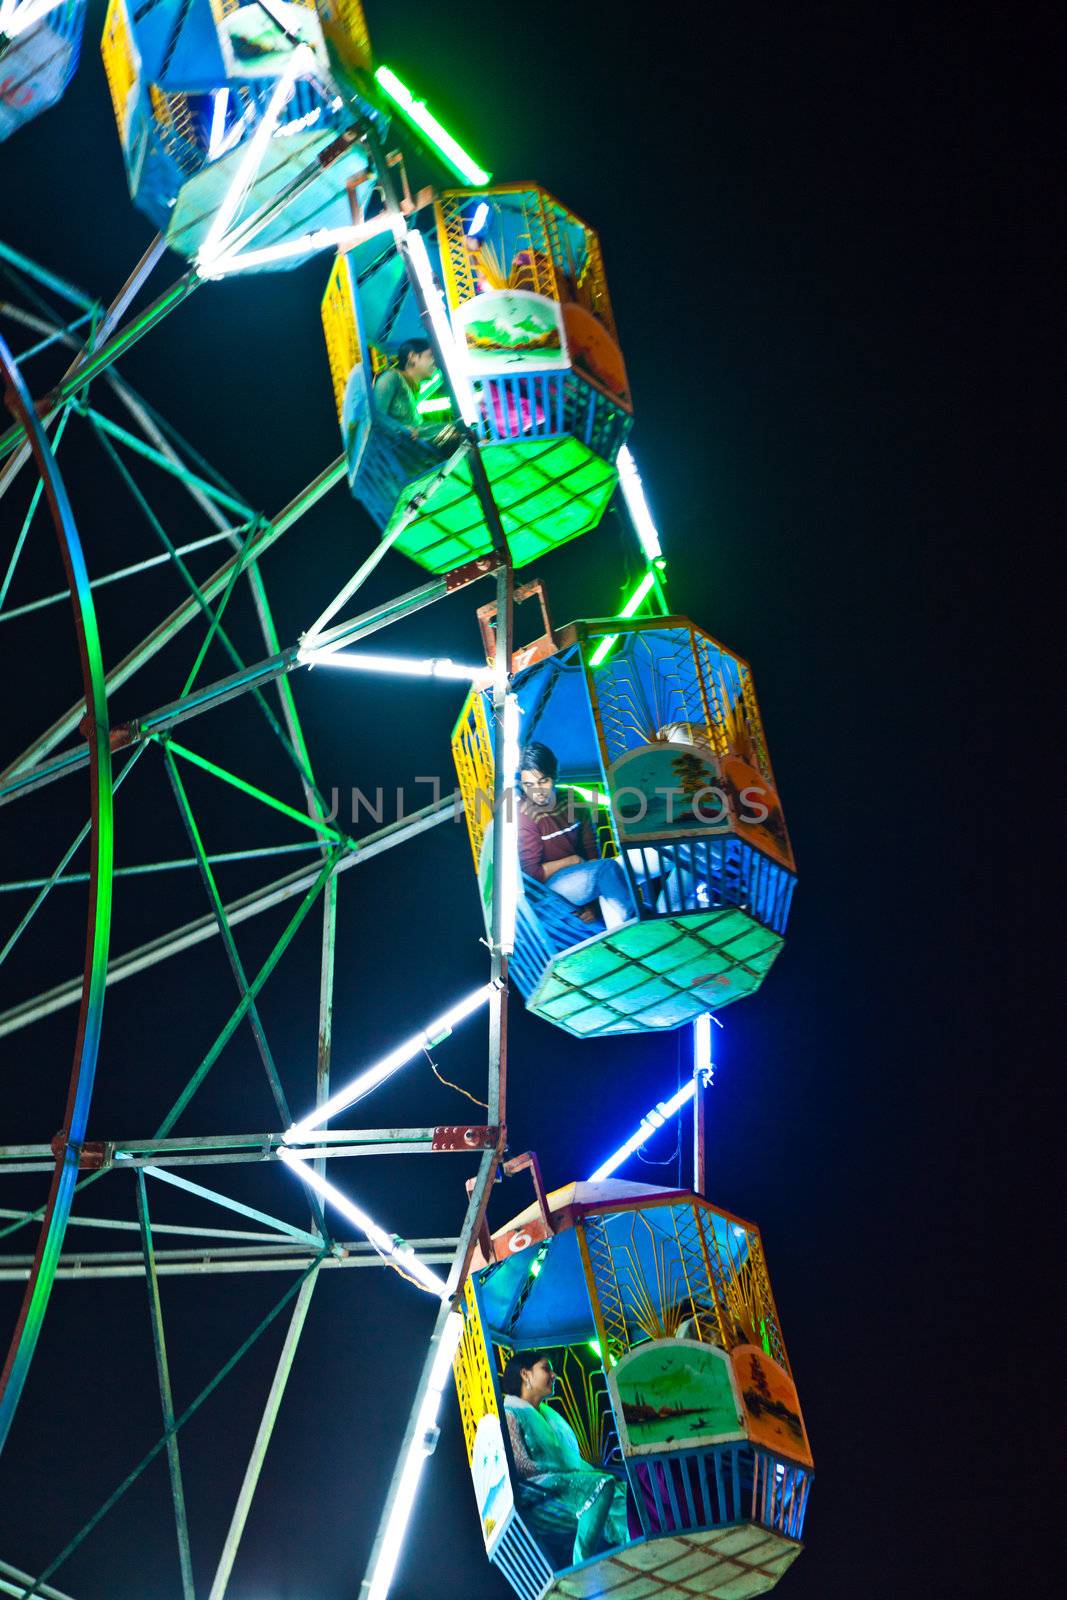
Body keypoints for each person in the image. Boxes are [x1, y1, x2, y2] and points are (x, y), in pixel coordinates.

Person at [501, 1351, 628, 1567]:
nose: (554, 1375)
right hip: (539, 1488)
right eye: (545, 1368)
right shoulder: (510, 1412)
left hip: (564, 1481)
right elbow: (520, 1465)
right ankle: (582, 1563)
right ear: (525, 1374)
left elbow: (570, 1458)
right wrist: (564, 1474)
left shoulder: (548, 1415)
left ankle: (628, 1553)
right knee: (602, 1484)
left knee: (622, 1491)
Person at [518, 742, 635, 931]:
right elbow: (532, 875)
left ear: (554, 775)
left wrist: (593, 905)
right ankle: (634, 923)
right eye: (528, 785)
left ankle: (627, 924)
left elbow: (591, 850)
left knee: (614, 868)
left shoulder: (574, 800)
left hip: (580, 877)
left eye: (543, 781)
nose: (537, 791)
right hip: (549, 889)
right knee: (607, 868)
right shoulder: (523, 817)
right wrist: (572, 860)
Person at [372, 339, 458, 450]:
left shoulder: (413, 390)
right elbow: (376, 418)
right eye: (430, 355)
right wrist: (400, 429)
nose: (435, 361)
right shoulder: (391, 377)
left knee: (460, 427)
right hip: (401, 453)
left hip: (417, 451)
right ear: (412, 356)